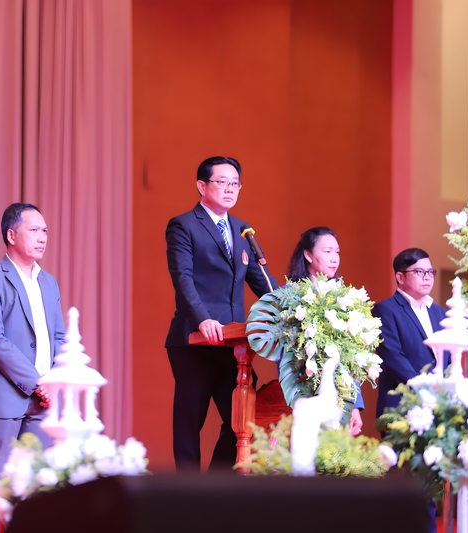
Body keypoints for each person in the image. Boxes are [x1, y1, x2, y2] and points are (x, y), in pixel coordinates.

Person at [165, 156, 277, 471]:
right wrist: (202, 318)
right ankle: (188, 493)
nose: (230, 189)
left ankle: (215, 486)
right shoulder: (184, 225)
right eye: (222, 182)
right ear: (202, 186)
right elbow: (183, 278)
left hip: (234, 344)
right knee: (190, 421)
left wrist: (296, 307)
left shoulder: (242, 230)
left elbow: (263, 283)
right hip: (195, 339)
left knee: (243, 420)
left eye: (235, 183)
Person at [0, 202, 66, 533]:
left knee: (36, 479)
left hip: (45, 398)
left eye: (45, 231)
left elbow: (59, 336)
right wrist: (38, 382)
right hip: (6, 395)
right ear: (11, 235)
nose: (42, 237)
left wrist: (54, 381)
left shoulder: (49, 282)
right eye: (34, 230)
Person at [373, 248, 446, 533]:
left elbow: (448, 358)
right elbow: (393, 357)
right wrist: (424, 388)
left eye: (430, 272)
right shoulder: (385, 310)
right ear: (400, 277)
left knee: (428, 486)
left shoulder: (440, 313)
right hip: (401, 410)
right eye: (419, 272)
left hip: (435, 411)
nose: (427, 277)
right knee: (401, 487)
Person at [286, 226, 363, 435]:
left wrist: (355, 405)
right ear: (308, 255)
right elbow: (286, 358)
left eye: (337, 252)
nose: (334, 258)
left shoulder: (343, 299)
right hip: (303, 395)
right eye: (327, 251)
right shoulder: (290, 296)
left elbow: (351, 357)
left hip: (340, 399)